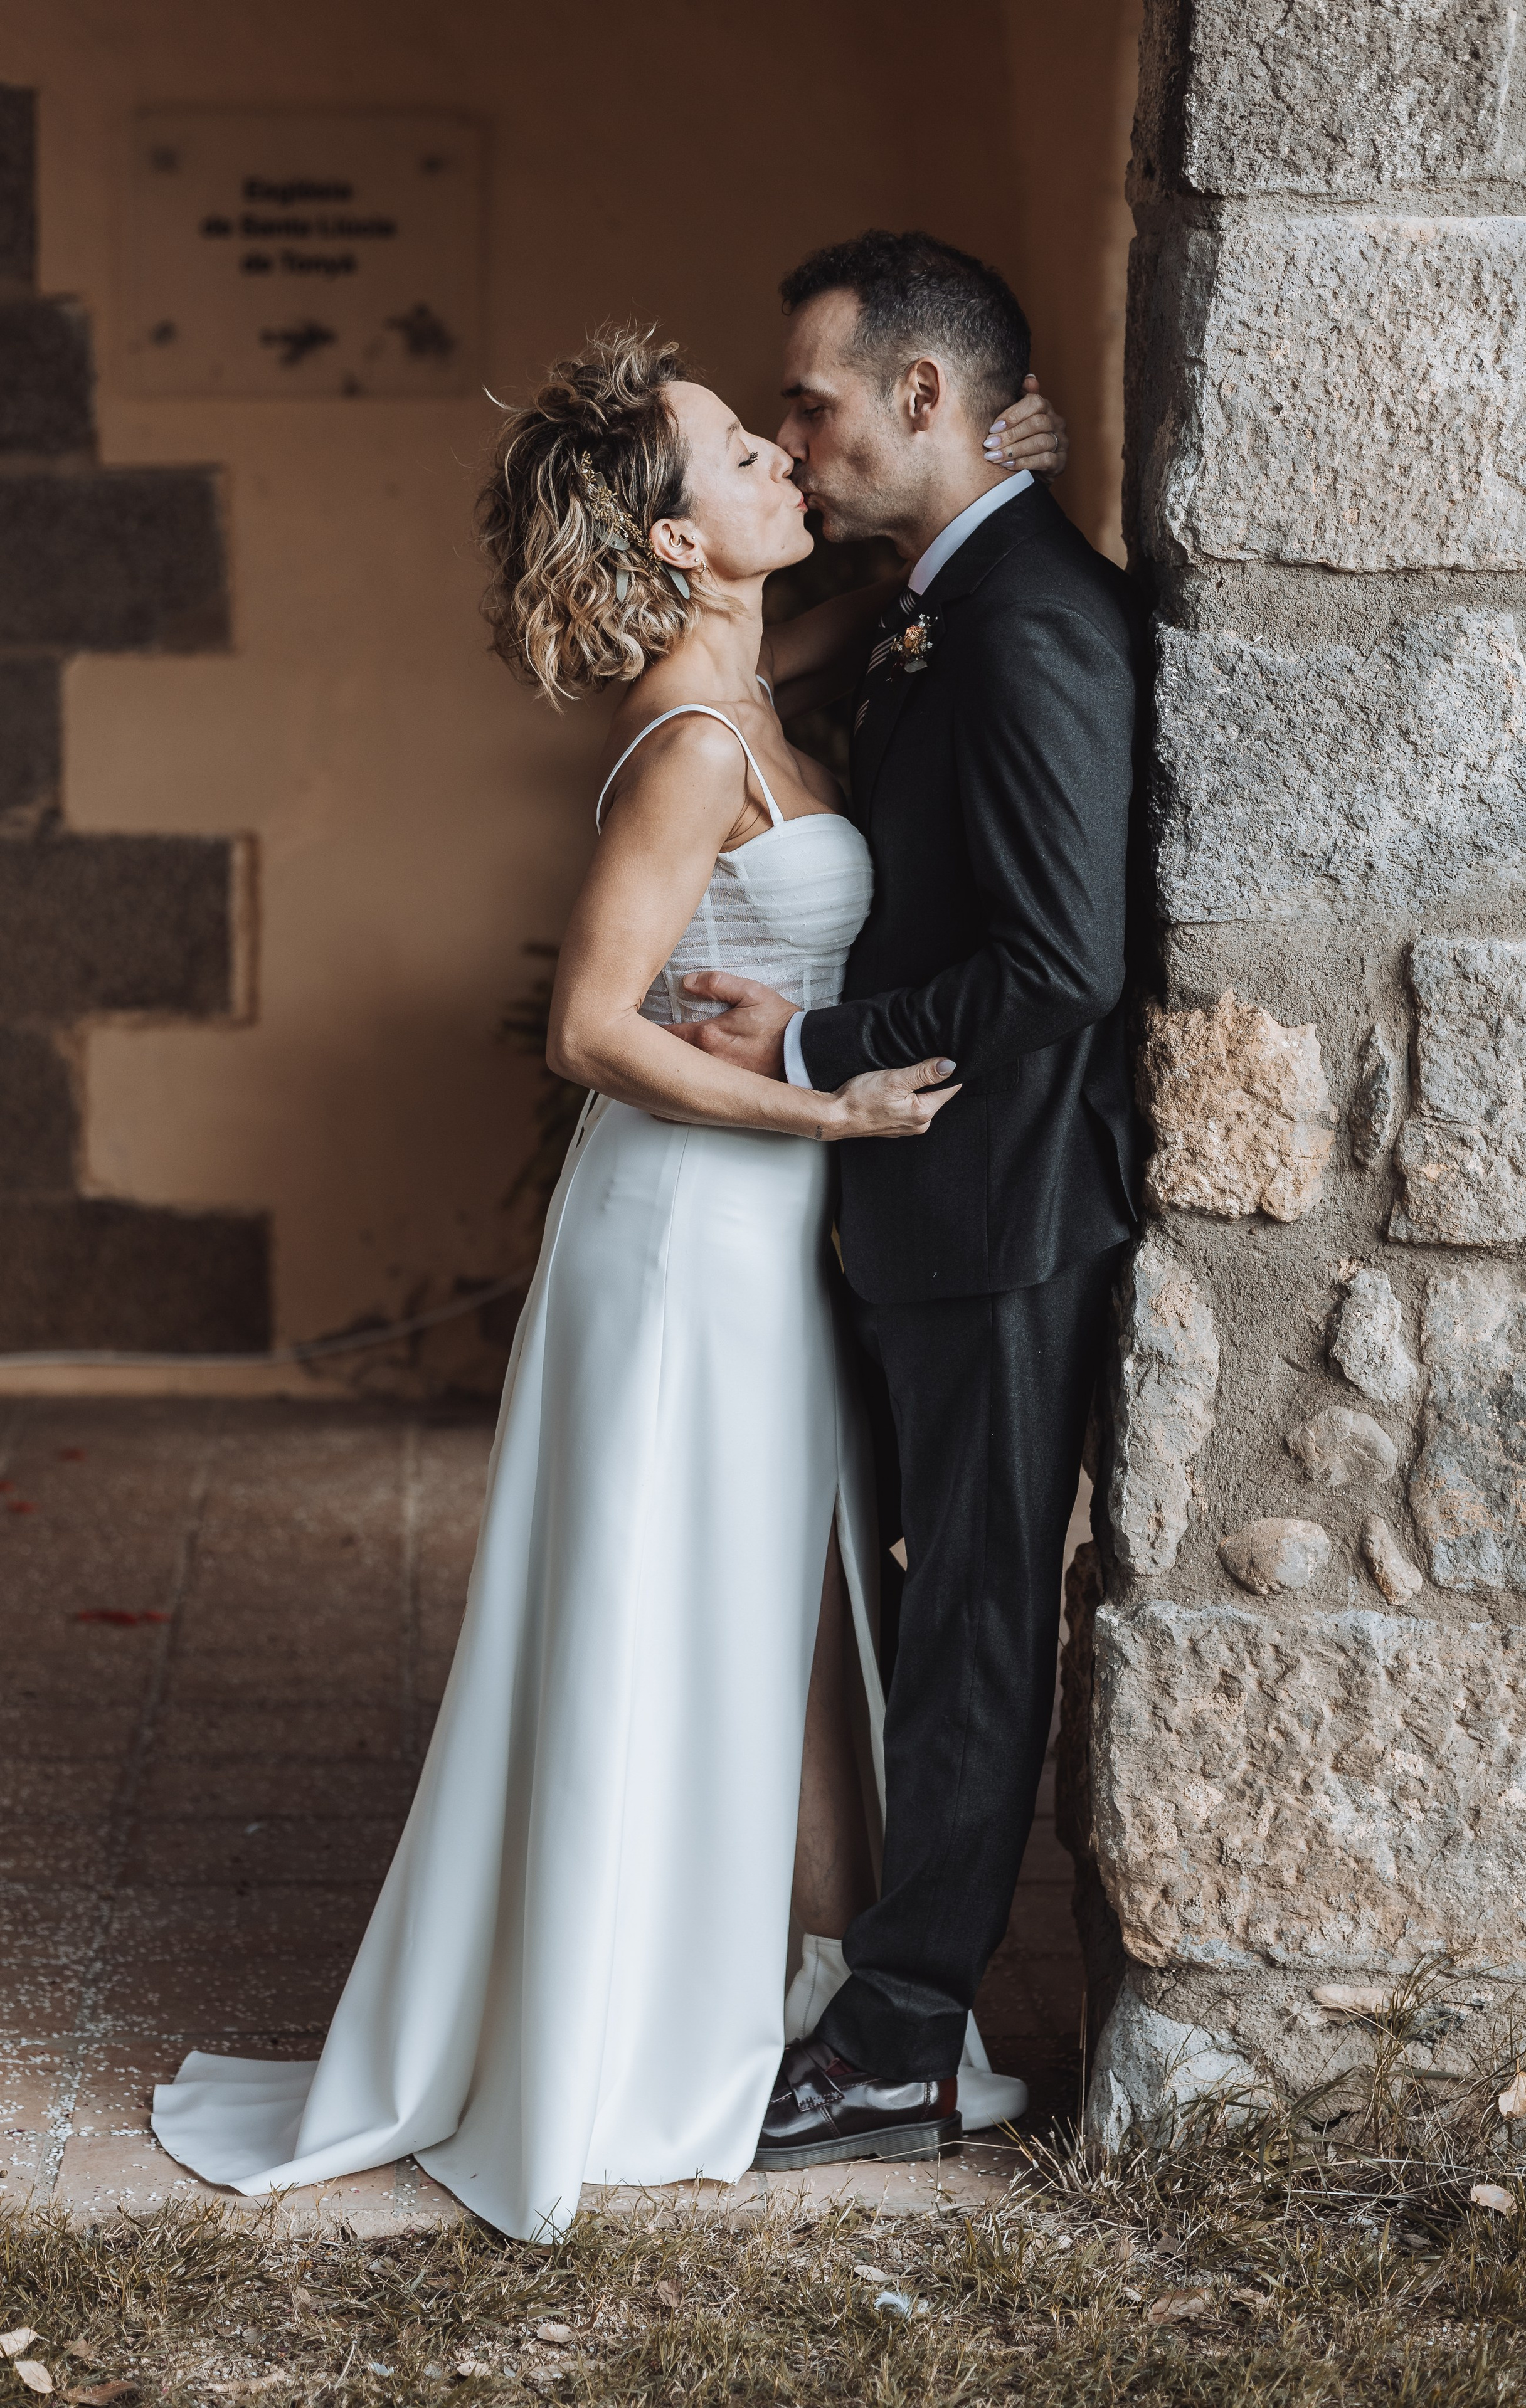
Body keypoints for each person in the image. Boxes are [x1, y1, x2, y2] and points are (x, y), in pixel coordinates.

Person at [148, 319, 1069, 2240]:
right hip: (684, 1237)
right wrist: (825, 1112)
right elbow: (587, 1026)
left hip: (760, 1237)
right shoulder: (692, 744)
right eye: (743, 451)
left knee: (787, 1612)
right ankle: (637, 2016)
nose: (782, 459)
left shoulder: (755, 685)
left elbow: (882, 613)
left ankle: (805, 1997)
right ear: (672, 539)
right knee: (683, 1603)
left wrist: (984, 482)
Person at [664, 231, 1141, 2169]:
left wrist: (813, 1040)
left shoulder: (1028, 619)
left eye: (813, 404)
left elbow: (1059, 965)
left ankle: (904, 2037)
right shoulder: (953, 590)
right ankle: (860, 1980)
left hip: (1005, 1206)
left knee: (973, 1624)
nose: (794, 437)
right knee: (912, 1609)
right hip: (925, 1200)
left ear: (925, 397)